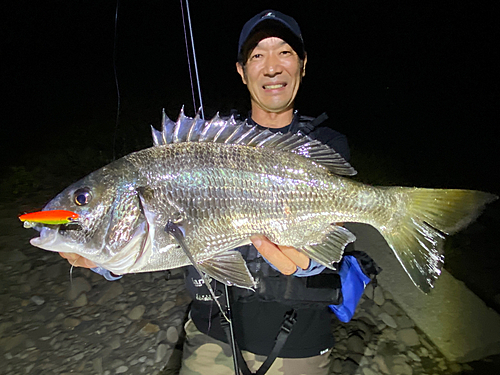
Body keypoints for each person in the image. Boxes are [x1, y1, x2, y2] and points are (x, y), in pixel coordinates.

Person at [61, 10, 357, 375]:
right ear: (241, 70)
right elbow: (154, 242)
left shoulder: (324, 146)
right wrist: (106, 259)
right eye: (257, 56)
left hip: (298, 344)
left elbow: (333, 241)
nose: (271, 67)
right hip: (210, 336)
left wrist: (308, 261)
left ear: (303, 64)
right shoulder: (204, 143)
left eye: (284, 52)